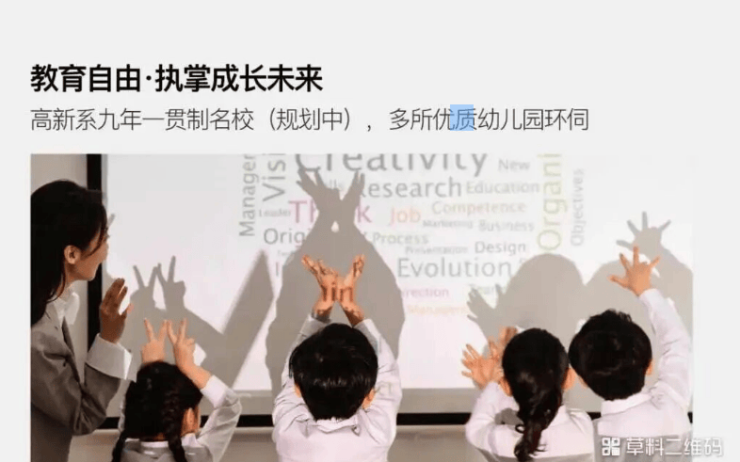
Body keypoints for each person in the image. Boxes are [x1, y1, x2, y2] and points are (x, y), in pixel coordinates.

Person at [31, 179, 134, 462]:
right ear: (71, 253)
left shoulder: (49, 310)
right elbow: (81, 417)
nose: (106, 248)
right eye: (103, 237)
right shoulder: (37, 338)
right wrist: (109, 339)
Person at [272, 255, 402, 462]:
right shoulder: (377, 434)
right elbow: (387, 372)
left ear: (298, 389)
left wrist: (326, 299)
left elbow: (292, 373)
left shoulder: (287, 435)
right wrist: (348, 305)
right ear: (369, 395)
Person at [569, 247, 692, 459]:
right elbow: (677, 342)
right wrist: (645, 290)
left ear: (582, 380)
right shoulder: (671, 404)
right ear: (650, 365)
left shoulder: (588, 440)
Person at [112, 318, 241, 462]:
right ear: (190, 418)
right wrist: (189, 367)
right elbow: (229, 405)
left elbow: (132, 410)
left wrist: (150, 371)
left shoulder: (124, 454)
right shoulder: (198, 457)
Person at [464, 327, 594, 461]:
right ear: (569, 379)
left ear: (506, 386)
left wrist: (492, 386)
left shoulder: (499, 441)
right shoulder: (586, 430)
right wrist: (497, 385)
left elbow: (477, 429)